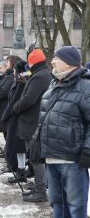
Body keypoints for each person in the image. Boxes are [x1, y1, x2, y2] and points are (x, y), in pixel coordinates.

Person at [40, 46, 90, 217]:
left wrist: (87, 151)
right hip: (51, 157)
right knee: (57, 204)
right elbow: (44, 118)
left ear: (69, 63)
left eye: (56, 58)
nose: (52, 61)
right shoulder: (53, 83)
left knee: (76, 207)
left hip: (73, 160)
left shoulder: (86, 87)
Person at [12, 48, 52, 202]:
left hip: (32, 122)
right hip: (33, 121)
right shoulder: (41, 74)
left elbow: (29, 99)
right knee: (35, 157)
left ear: (33, 63)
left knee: (36, 158)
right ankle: (39, 186)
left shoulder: (40, 76)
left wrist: (16, 108)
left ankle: (41, 191)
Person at [1, 61, 29, 179]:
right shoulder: (20, 80)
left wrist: (5, 115)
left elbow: (14, 101)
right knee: (17, 146)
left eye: (14, 70)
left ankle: (21, 171)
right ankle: (20, 169)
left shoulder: (21, 82)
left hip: (16, 117)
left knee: (18, 146)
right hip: (15, 116)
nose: (13, 72)